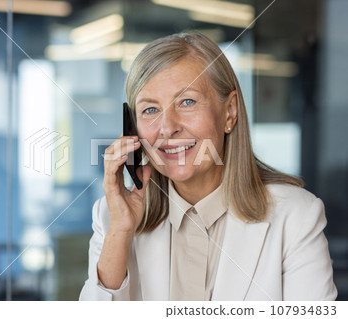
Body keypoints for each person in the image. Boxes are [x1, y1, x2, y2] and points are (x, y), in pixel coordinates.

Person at [79, 31, 337, 301]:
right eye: (150, 110)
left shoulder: (295, 216)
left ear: (230, 111)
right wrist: (120, 232)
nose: (167, 128)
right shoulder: (112, 217)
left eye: (187, 102)